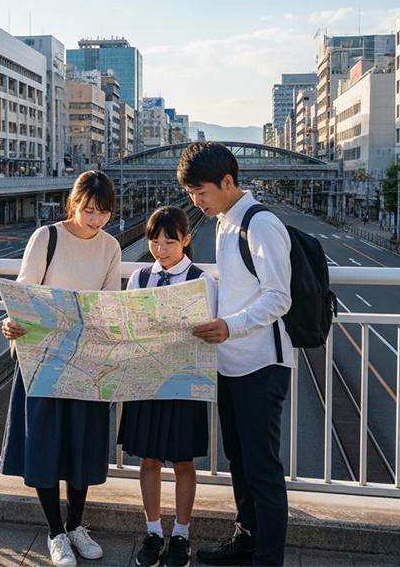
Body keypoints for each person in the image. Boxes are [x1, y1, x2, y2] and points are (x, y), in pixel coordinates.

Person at [178, 142, 294, 567]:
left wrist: (231, 326)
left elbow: (278, 297)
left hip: (261, 365)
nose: (196, 201)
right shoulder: (225, 222)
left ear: (228, 182)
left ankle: (268, 560)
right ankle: (246, 541)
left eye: (201, 192)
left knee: (262, 469)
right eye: (191, 194)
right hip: (230, 363)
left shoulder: (260, 224)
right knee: (240, 462)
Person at [0, 170, 122, 567]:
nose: (96, 219)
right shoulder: (46, 237)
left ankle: (76, 527)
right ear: (74, 204)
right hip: (44, 361)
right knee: (45, 447)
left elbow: (108, 305)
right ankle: (55, 532)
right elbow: (23, 291)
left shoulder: (110, 247)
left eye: (104, 212)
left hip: (86, 363)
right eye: (89, 210)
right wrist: (11, 323)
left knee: (81, 448)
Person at [119, 206, 218, 567]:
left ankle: (181, 535)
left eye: (170, 242)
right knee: (148, 458)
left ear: (186, 240)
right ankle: (153, 532)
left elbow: (210, 332)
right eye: (155, 241)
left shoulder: (202, 281)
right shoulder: (139, 277)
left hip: (183, 382)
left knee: (183, 460)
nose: (160, 249)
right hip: (147, 380)